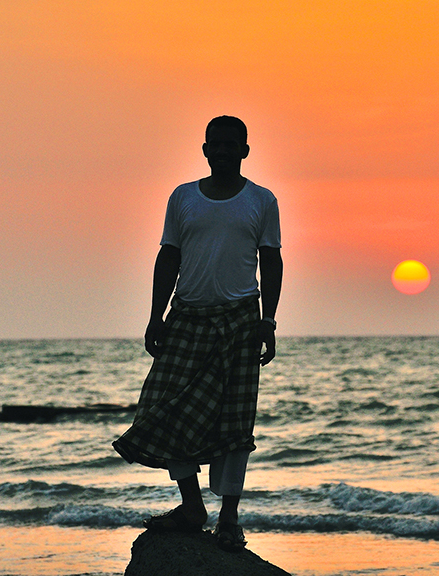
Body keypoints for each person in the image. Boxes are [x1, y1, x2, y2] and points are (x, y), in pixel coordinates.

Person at [112, 115, 283, 553]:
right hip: (186, 317)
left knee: (234, 423)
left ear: (245, 151)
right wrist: (155, 317)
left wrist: (268, 321)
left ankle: (229, 517)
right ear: (205, 150)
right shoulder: (183, 198)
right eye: (216, 144)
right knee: (160, 408)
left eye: (232, 144)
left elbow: (272, 262)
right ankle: (192, 506)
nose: (224, 151)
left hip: (242, 322)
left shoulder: (261, 201)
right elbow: (168, 255)